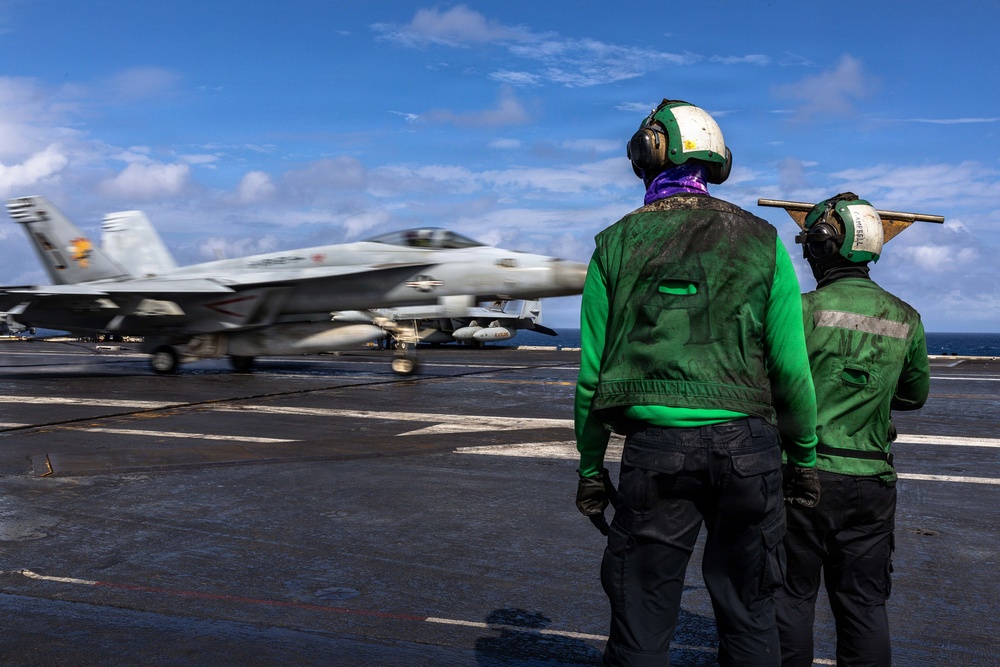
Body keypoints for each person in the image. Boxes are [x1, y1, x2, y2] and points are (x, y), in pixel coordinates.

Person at [573, 98, 820, 666]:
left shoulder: (614, 243)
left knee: (640, 621)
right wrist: (803, 459)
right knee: (751, 616)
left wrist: (589, 470)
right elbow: (790, 370)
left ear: (648, 153)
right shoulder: (763, 240)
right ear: (718, 162)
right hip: (750, 452)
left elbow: (591, 378)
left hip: (655, 454)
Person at [774, 193, 930, 666]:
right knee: (864, 605)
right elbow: (913, 396)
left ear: (822, 246)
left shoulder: (800, 310)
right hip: (871, 484)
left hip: (801, 477)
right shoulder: (907, 318)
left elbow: (771, 384)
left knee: (790, 598)